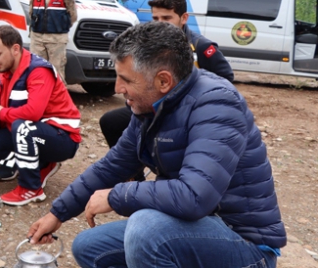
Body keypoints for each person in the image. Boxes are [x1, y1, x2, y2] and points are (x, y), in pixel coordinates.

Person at [27, 21, 286, 268]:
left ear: (164, 81)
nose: (118, 88)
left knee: (147, 227)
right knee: (89, 246)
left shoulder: (216, 104)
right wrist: (57, 214)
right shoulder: (151, 109)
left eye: (126, 80)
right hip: (194, 229)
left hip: (244, 244)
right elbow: (111, 167)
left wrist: (117, 196)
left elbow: (195, 196)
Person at [99, 0, 234, 155]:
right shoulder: (147, 44)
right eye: (155, 18)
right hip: (152, 107)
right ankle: (134, 176)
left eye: (167, 18)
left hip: (185, 112)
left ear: (183, 18)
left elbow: (226, 79)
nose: (160, 23)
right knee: (110, 122)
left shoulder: (201, 46)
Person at [0, 25, 80, 206]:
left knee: (22, 128)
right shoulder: (5, 72)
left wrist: (2, 113)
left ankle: (30, 189)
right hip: (34, 132)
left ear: (15, 49)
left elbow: (33, 113)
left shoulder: (38, 70)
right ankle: (42, 163)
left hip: (62, 138)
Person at [28, 0, 77, 82]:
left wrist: (59, 26)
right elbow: (31, 14)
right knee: (36, 70)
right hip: (37, 39)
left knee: (57, 72)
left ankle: (57, 100)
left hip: (57, 40)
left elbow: (73, 16)